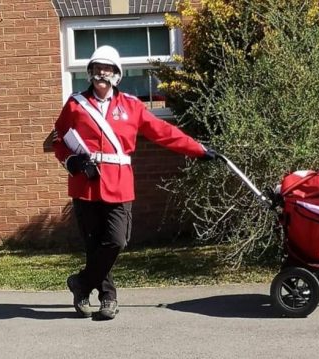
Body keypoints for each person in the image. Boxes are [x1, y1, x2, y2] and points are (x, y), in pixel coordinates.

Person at [52, 45, 216, 320]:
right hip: (85, 184)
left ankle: (80, 283)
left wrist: (197, 149)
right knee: (94, 245)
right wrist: (72, 161)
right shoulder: (75, 104)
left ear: (117, 74)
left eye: (107, 69)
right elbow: (58, 140)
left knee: (116, 241)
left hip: (118, 184)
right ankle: (107, 298)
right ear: (90, 72)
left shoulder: (131, 106)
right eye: (96, 68)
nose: (101, 74)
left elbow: (164, 133)